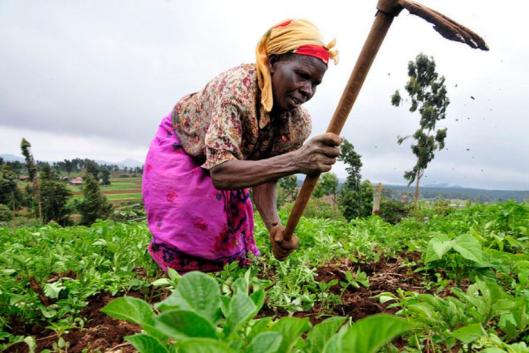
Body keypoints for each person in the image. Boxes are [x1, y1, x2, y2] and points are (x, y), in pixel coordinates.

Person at [142, 19, 342, 273]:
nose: (307, 90)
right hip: (185, 144)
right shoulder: (237, 91)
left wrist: (275, 229)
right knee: (189, 224)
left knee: (226, 245)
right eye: (301, 76)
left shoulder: (297, 123)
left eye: (315, 83)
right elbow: (222, 173)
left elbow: (266, 175)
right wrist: (297, 161)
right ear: (272, 62)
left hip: (231, 158)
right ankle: (174, 281)